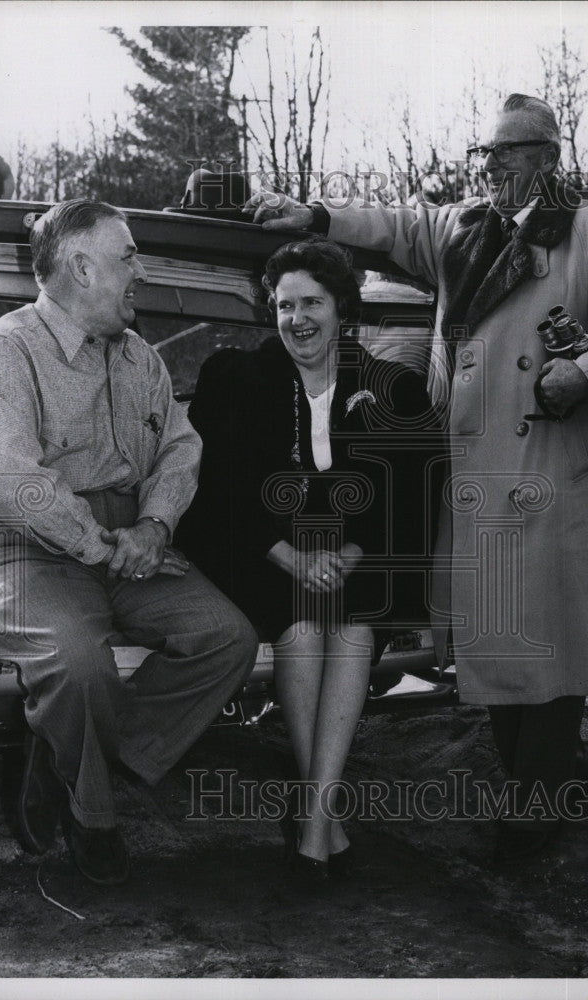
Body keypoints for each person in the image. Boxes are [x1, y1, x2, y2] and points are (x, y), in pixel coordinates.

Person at [245, 93, 588, 863]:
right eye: (486, 153)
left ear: (548, 158)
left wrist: (584, 373)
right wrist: (313, 215)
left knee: (549, 640)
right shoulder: (462, 227)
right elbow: (388, 225)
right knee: (499, 642)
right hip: (478, 473)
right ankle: (552, 777)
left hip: (556, 467)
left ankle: (534, 805)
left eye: (509, 152)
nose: (493, 166)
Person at [0, 199, 258, 885]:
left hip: (121, 540)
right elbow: (12, 483)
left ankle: (84, 764)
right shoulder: (2, 350)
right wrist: (105, 546)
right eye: (129, 255)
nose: (140, 270)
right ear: (81, 266)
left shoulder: (140, 357)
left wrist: (155, 525)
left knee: (225, 637)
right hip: (7, 544)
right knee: (79, 662)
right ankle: (95, 816)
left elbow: (179, 448)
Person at [178, 238, 438, 880]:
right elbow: (216, 492)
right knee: (299, 625)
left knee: (350, 623)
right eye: (284, 304)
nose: (297, 318)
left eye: (312, 302)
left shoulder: (391, 387)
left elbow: (413, 490)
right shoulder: (236, 377)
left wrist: (353, 549)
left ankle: (314, 822)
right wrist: (287, 555)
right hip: (261, 549)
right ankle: (324, 825)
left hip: (359, 553)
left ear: (342, 309)